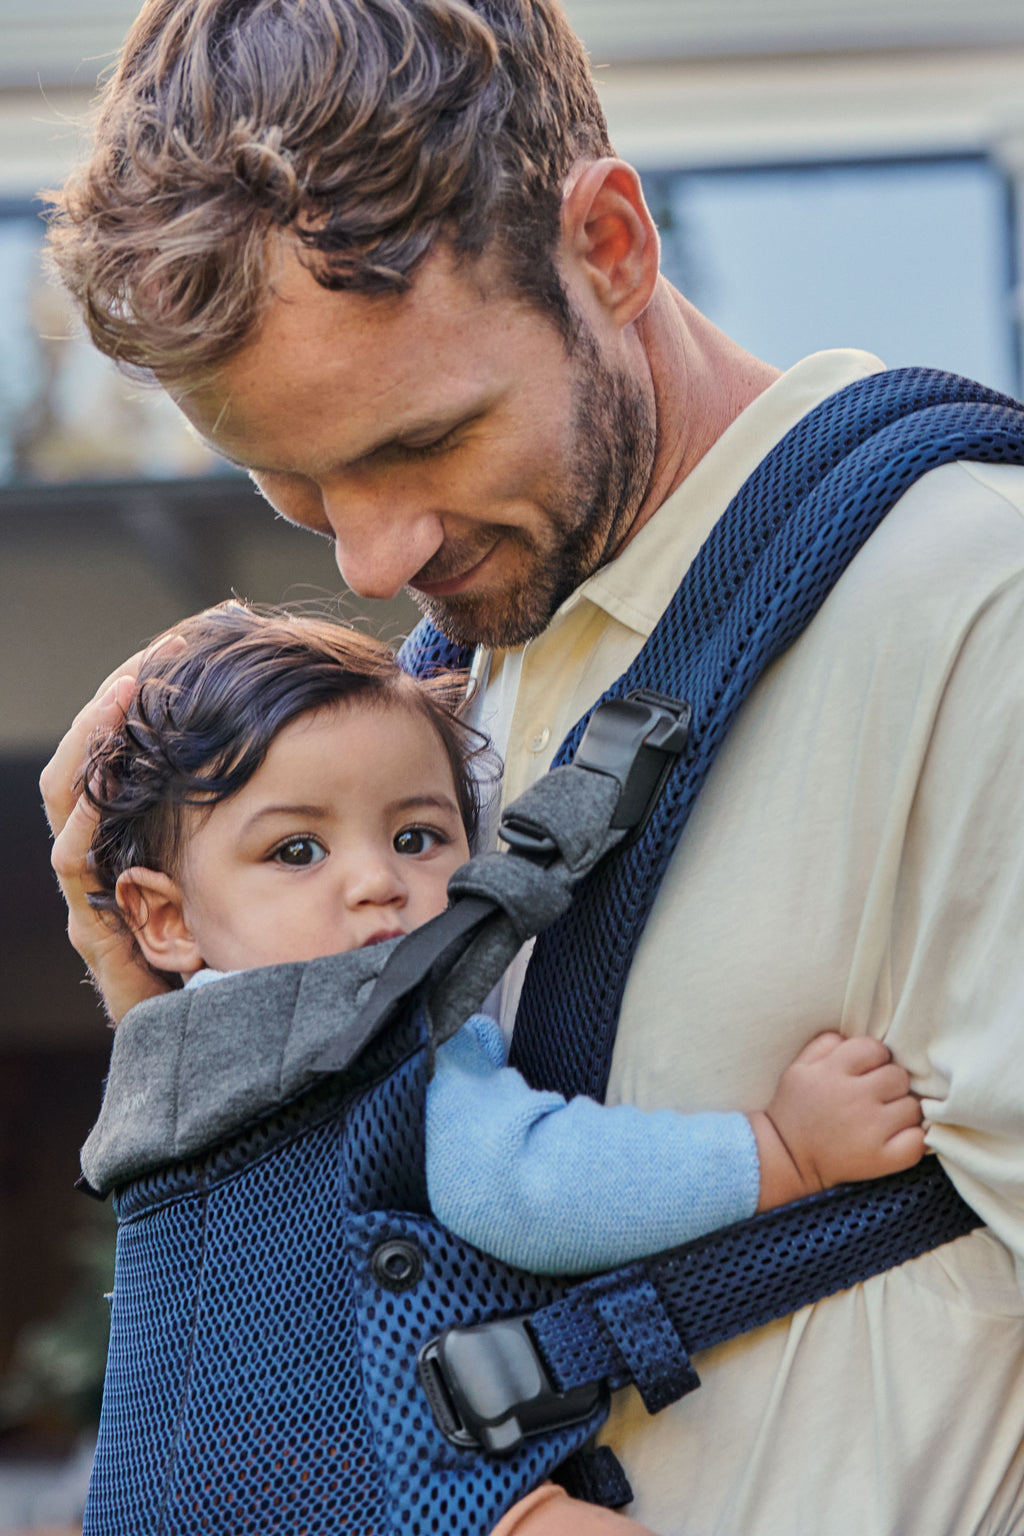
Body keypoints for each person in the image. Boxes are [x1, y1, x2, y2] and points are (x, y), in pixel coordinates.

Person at [38, 0, 1024, 1531]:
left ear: (609, 246)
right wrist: (189, 1025)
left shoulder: (977, 605)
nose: (372, 560)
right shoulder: (450, 688)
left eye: (420, 441)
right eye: (292, 482)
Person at [81, 599, 923, 1535]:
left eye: (416, 838)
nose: (376, 882)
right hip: (395, 1493)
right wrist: (780, 1151)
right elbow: (527, 1186)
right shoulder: (377, 1041)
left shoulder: (159, 1069)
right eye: (298, 850)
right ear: (164, 916)